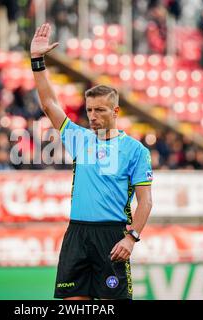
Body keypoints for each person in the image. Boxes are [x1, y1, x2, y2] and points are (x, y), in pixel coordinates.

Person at [30, 23, 153, 300]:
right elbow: (49, 104)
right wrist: (37, 61)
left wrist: (131, 238)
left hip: (112, 236)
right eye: (89, 110)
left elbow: (145, 202)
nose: (93, 116)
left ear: (116, 111)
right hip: (77, 233)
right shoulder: (79, 138)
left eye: (100, 110)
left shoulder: (135, 151)